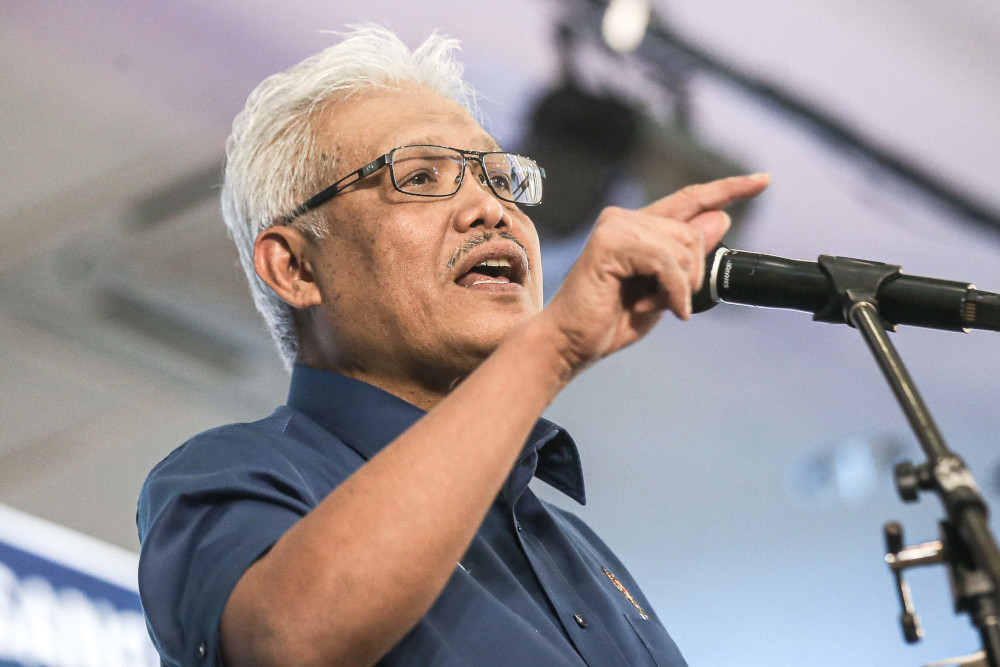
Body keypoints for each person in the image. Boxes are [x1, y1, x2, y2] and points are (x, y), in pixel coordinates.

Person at [136, 24, 768, 667]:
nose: (491, 210)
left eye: (500, 178)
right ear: (295, 268)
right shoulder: (230, 472)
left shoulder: (580, 550)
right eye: (419, 176)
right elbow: (291, 645)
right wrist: (553, 348)